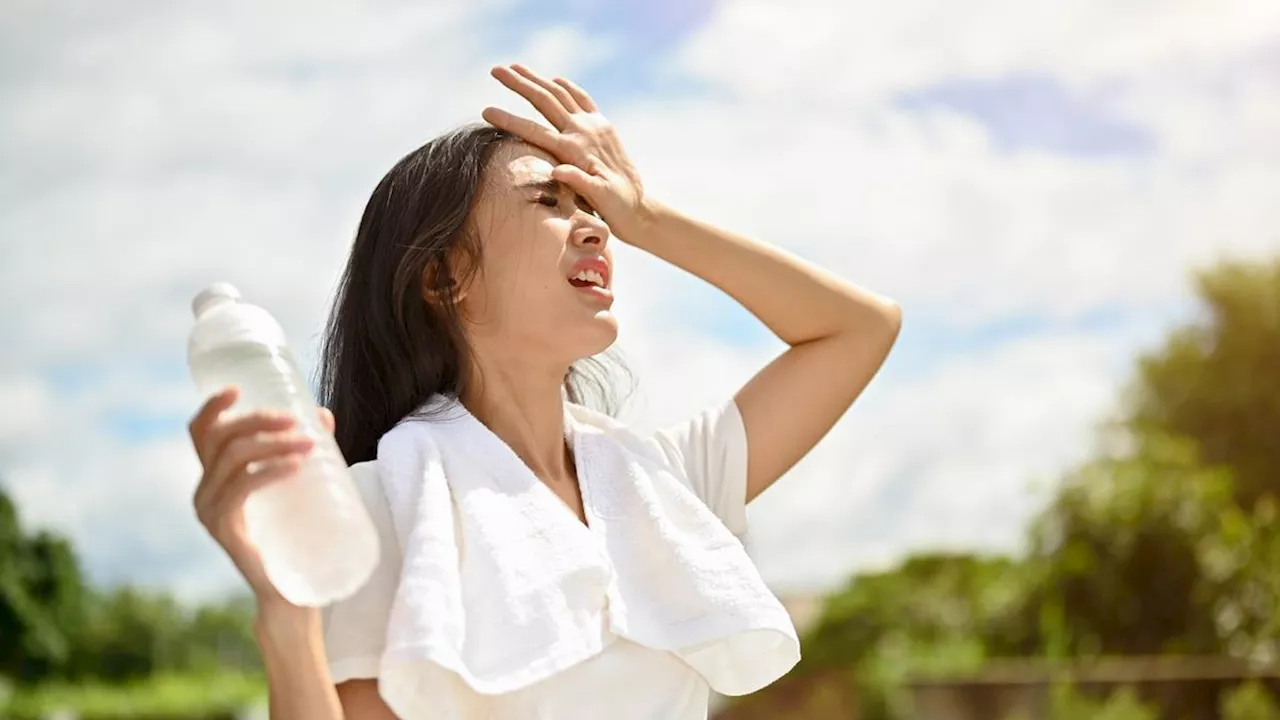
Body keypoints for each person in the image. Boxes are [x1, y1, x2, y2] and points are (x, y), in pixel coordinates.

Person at [188, 64, 901, 720]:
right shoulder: (385, 508)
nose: (596, 224)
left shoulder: (665, 486)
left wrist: (649, 218)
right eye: (550, 201)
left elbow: (858, 328)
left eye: (593, 203)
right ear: (444, 278)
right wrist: (287, 616)